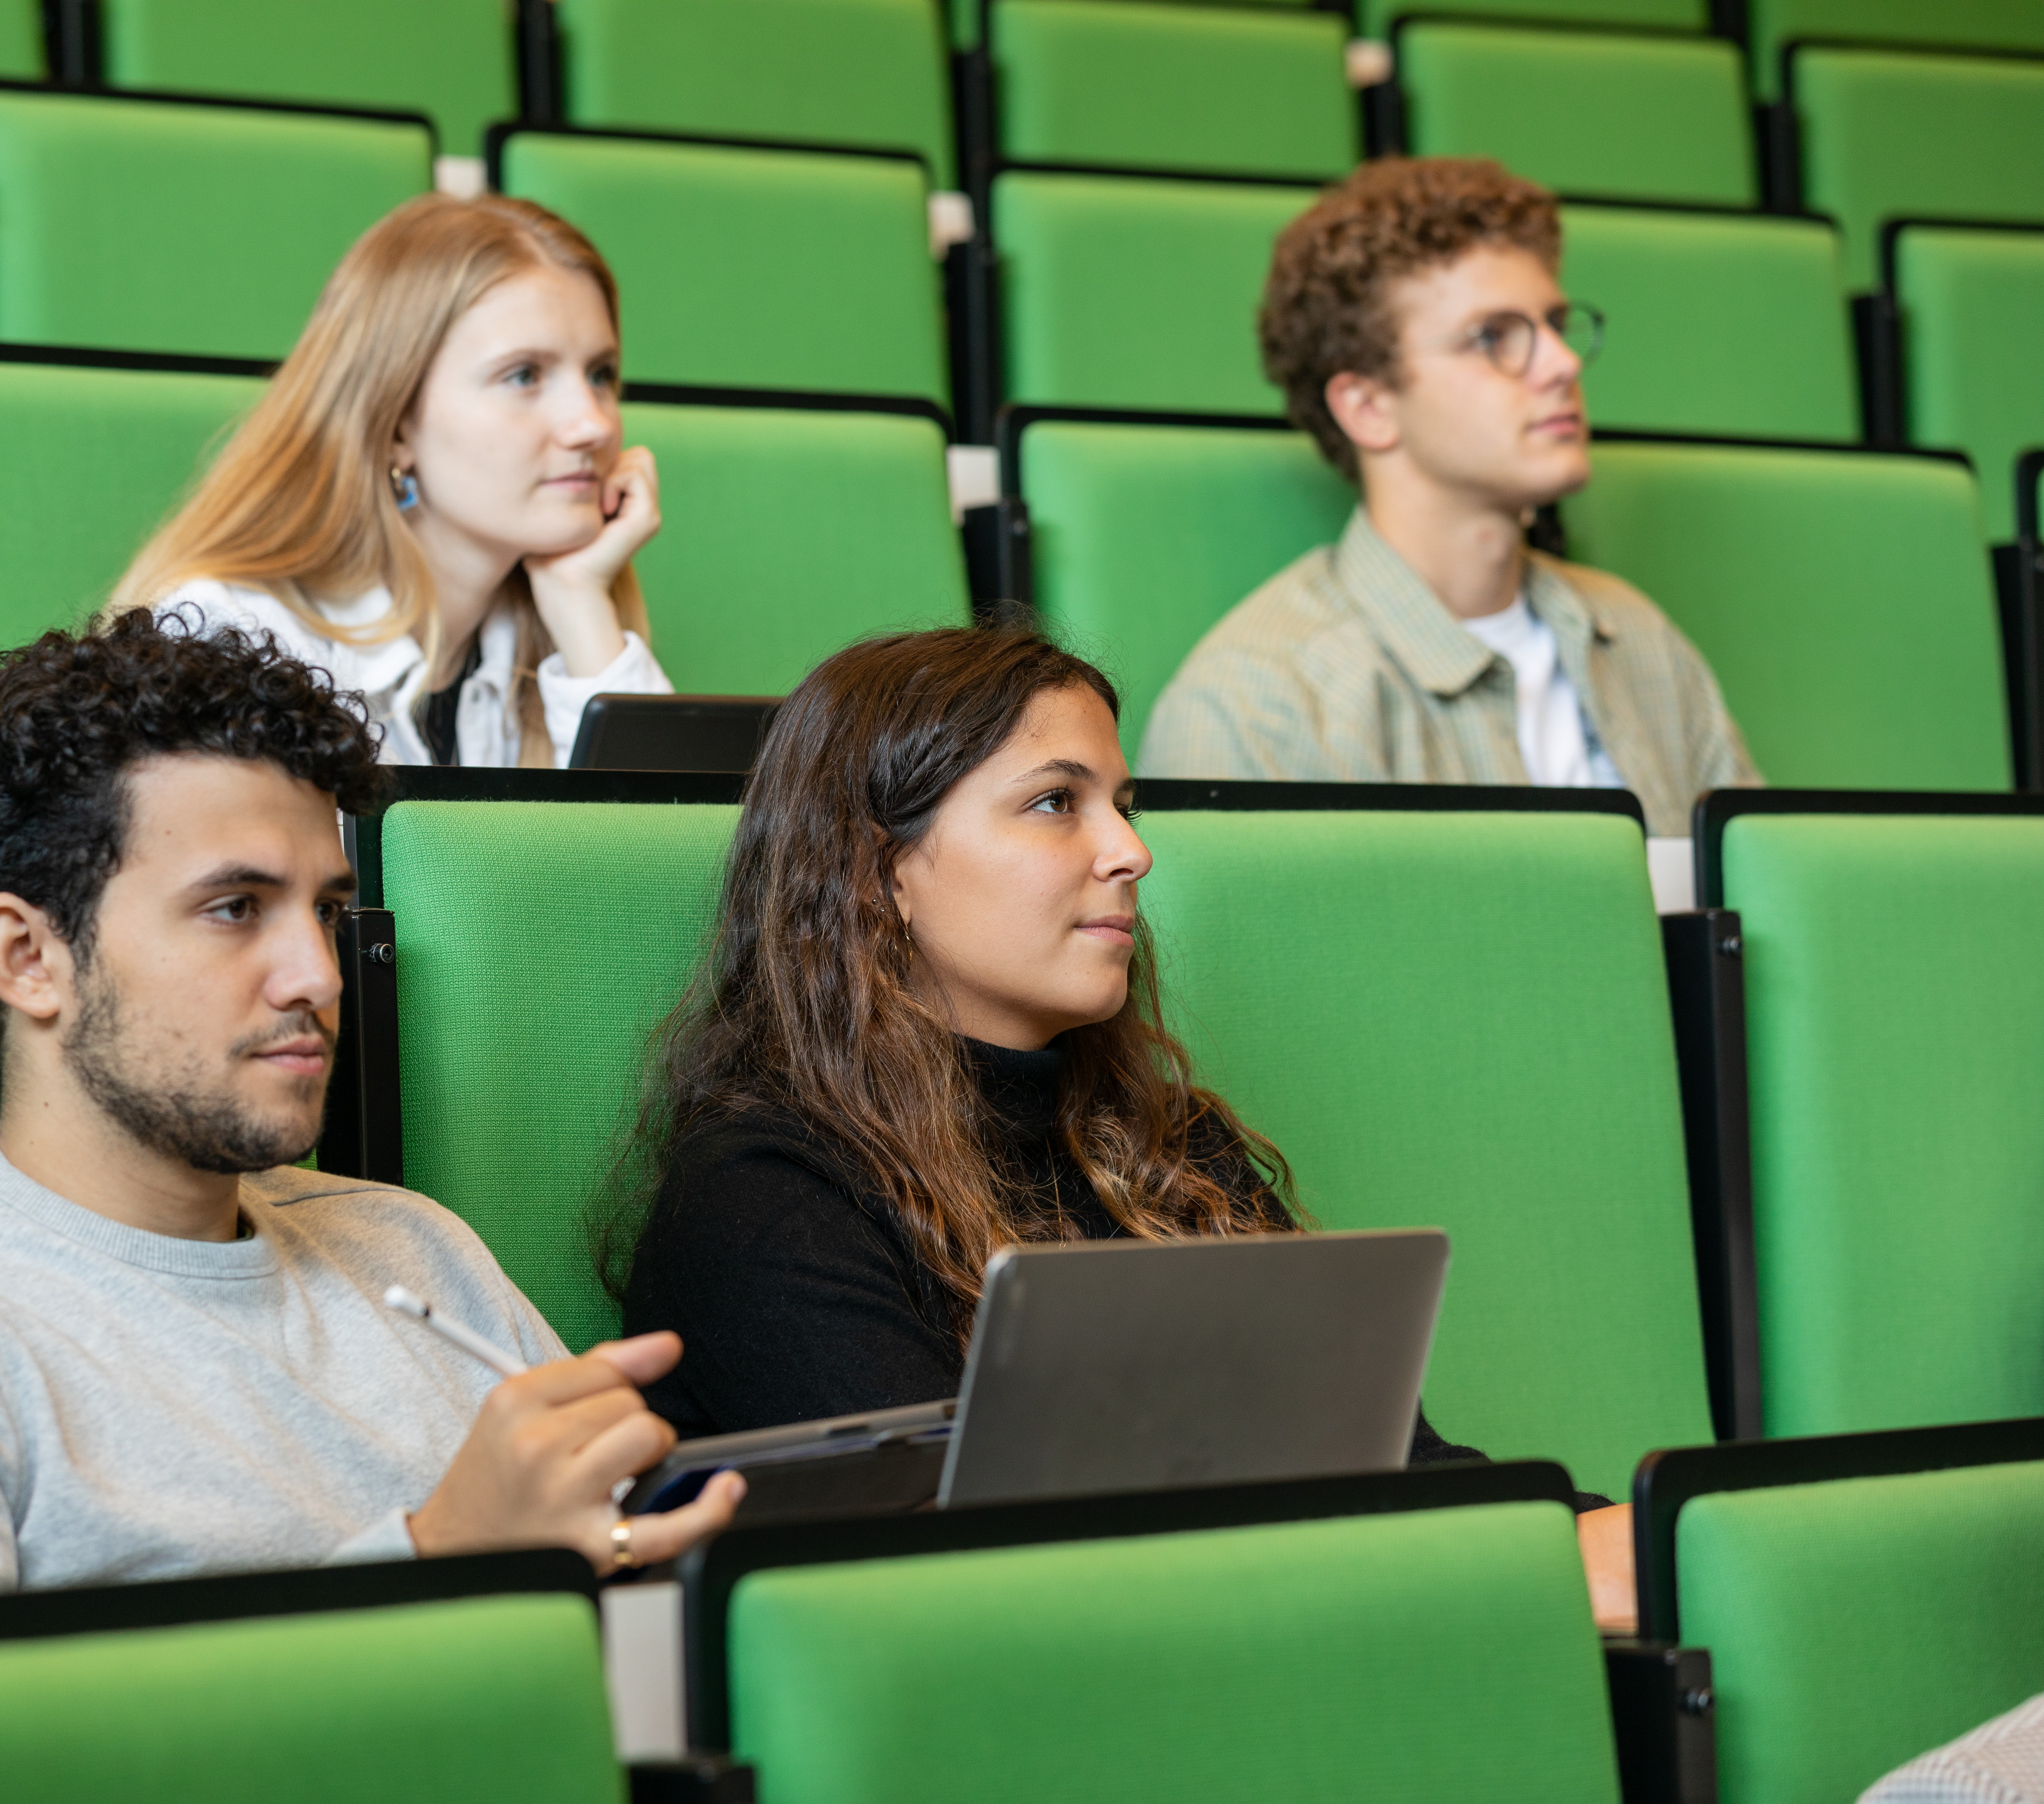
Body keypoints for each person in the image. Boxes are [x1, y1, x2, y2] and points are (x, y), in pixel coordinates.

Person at [0, 616, 739, 1613]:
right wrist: (432, 1562)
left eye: (324, 911)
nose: (318, 976)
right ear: (29, 958)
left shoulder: (416, 1253)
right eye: (235, 909)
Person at [616, 627, 1636, 1630]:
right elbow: (972, 1590)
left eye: (1124, 805)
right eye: (1056, 802)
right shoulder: (764, 1197)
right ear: (878, 872)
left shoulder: (1166, 1145)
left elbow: (1391, 1469)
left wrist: (1598, 1538)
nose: (1132, 851)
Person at [1139, 157, 1758, 834]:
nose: (1563, 363)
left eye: (1555, 324)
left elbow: (1751, 912)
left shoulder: (1640, 638)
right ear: (1369, 407)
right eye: (1494, 338)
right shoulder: (1255, 702)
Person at [104, 193, 670, 770]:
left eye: (601, 374)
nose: (594, 424)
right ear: (395, 423)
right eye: (524, 375)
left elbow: (673, 854)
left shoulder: (545, 632)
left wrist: (580, 601)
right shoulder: (234, 638)